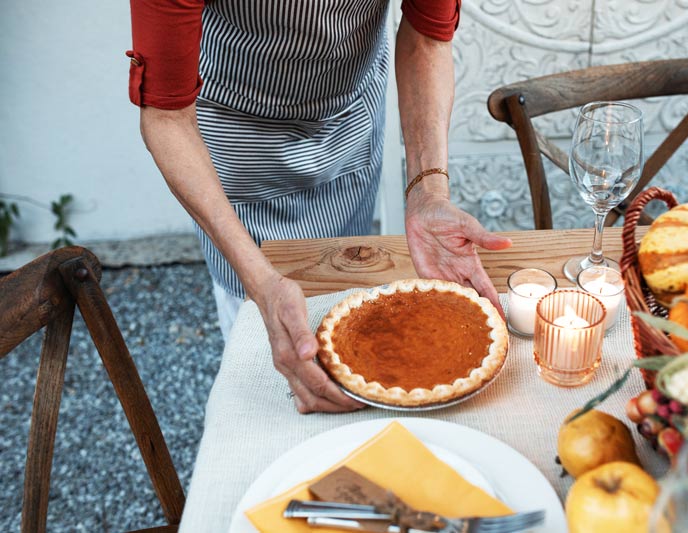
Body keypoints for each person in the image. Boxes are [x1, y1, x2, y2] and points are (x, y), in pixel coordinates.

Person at [127, 0, 512, 413]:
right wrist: (261, 285)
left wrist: (428, 192)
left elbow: (427, 39)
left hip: (349, 116)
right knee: (265, 357)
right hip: (238, 130)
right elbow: (166, 119)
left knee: (347, 291)